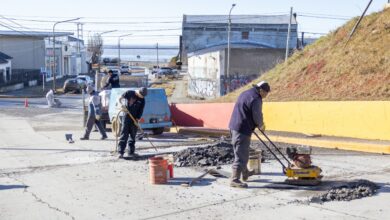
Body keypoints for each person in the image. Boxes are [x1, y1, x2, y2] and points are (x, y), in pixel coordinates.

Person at [228, 81, 270, 188]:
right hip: (242, 128)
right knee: (241, 154)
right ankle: (235, 179)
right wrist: (260, 125)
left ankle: (245, 173)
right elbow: (257, 115)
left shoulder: (246, 93)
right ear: (261, 90)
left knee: (242, 151)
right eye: (266, 93)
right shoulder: (256, 98)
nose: (266, 95)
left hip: (235, 126)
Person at [117, 87, 147, 159]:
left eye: (142, 96)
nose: (141, 97)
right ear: (138, 92)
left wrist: (137, 119)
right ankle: (120, 152)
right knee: (124, 134)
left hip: (135, 119)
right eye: (140, 95)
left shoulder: (142, 99)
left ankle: (131, 152)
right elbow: (119, 99)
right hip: (126, 116)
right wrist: (121, 105)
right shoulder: (129, 93)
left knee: (133, 136)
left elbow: (141, 110)